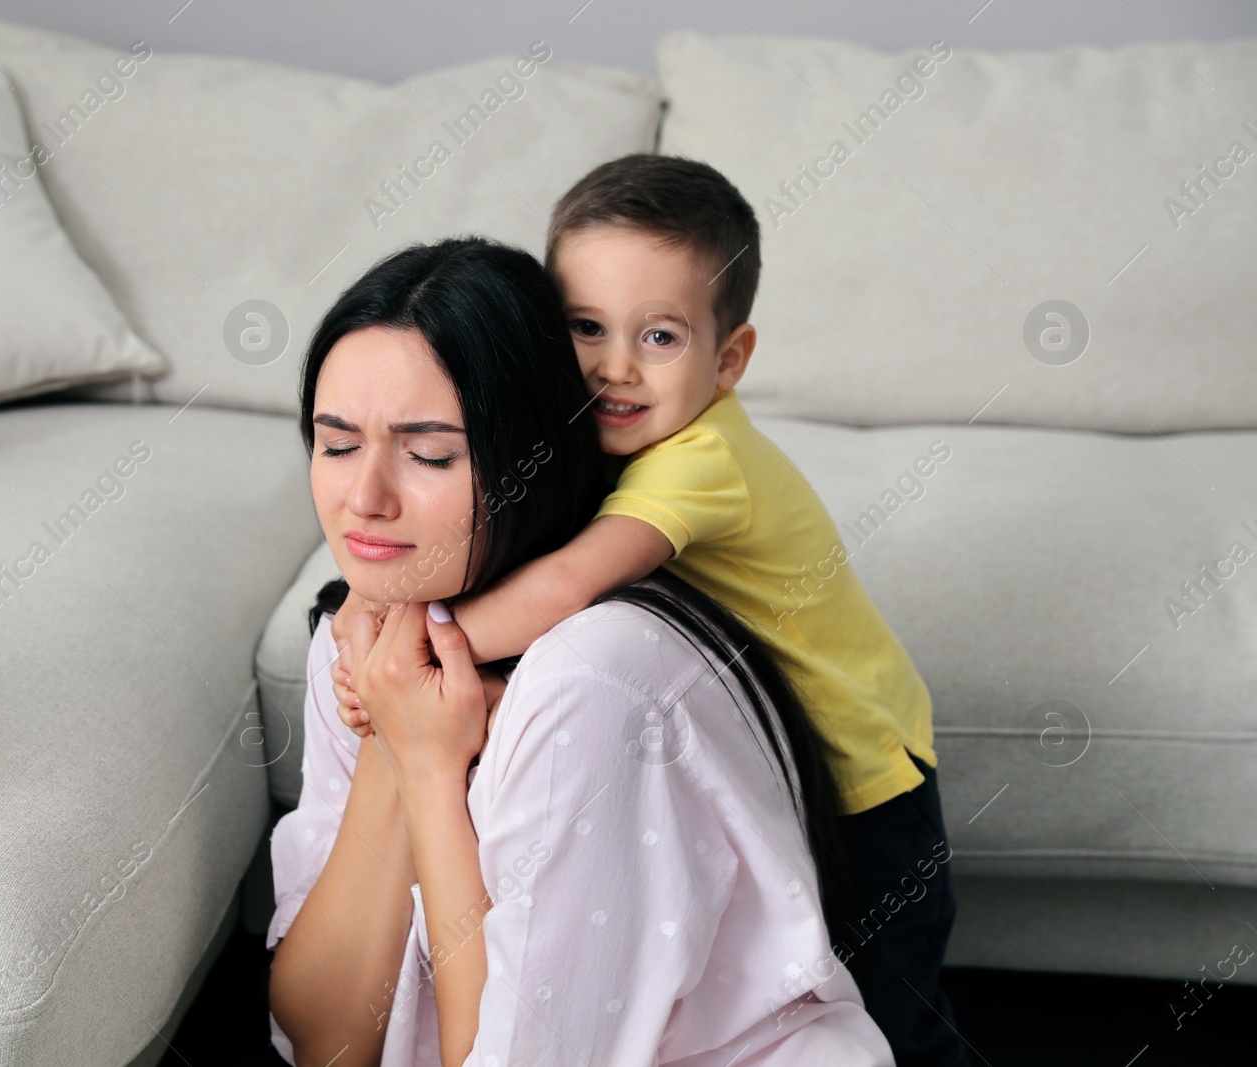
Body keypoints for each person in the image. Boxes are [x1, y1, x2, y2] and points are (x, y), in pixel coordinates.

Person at [330, 155, 968, 1067]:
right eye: (585, 327)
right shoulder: (594, 440)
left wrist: (413, 656)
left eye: (659, 337)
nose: (613, 368)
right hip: (767, 750)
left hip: (866, 781)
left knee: (894, 1008)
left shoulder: (698, 460)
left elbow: (561, 588)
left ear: (730, 358)